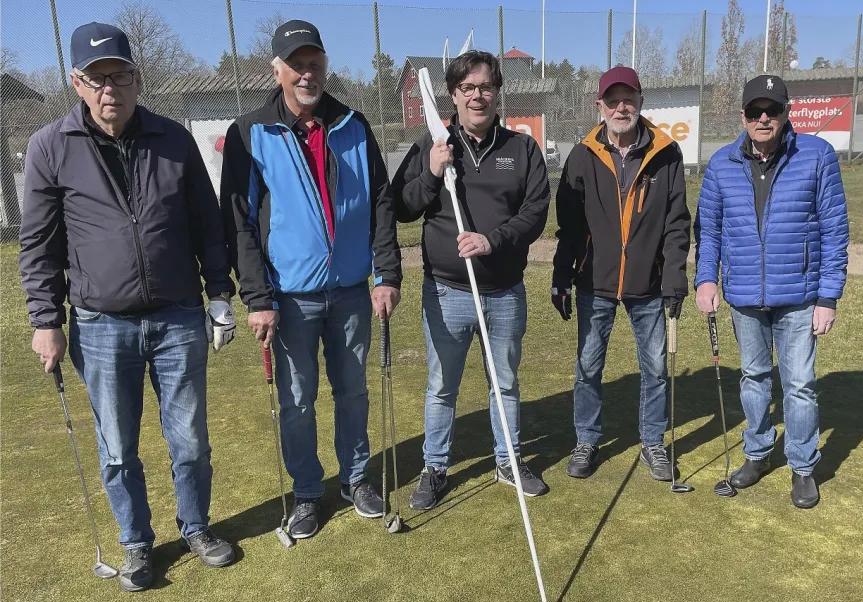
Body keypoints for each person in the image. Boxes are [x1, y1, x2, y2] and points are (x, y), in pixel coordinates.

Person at [19, 22, 237, 592]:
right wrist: (45, 320)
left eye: (118, 74)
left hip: (177, 317)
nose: (108, 88)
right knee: (117, 446)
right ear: (77, 82)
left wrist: (219, 293)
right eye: (96, 78)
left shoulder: (173, 139)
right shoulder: (49, 147)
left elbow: (207, 225)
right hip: (99, 324)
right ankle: (137, 543)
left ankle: (196, 526)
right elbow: (39, 245)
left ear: (136, 77)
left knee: (188, 437)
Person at [220, 20, 402, 538]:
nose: (307, 73)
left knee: (353, 392)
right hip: (288, 298)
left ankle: (358, 477)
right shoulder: (249, 132)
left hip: (349, 290)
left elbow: (381, 204)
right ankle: (306, 492)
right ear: (276, 70)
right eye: (296, 64)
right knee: (297, 401)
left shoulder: (353, 124)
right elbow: (239, 220)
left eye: (314, 62)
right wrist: (256, 296)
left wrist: (386, 272)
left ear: (325, 64)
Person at [392, 50, 550, 510]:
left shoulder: (521, 149)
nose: (477, 96)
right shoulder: (433, 144)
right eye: (468, 88)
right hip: (447, 292)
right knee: (442, 386)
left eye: (485, 87)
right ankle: (435, 467)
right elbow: (403, 206)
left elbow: (536, 212)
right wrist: (433, 171)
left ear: (498, 92)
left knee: (504, 382)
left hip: (504, 292)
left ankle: (508, 460)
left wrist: (492, 240)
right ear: (453, 95)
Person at [694, 74, 850, 509]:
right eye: (755, 111)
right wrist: (706, 278)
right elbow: (708, 230)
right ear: (742, 115)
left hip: (800, 295)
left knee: (799, 384)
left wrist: (828, 296)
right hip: (744, 294)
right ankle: (758, 454)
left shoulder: (816, 156)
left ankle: (802, 467)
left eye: (772, 110)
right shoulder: (722, 162)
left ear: (786, 113)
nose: (763, 118)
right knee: (753, 378)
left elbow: (835, 231)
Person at [551, 66, 691, 481]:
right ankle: (587, 440)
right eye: (612, 100)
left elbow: (677, 222)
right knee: (588, 368)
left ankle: (652, 442)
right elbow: (570, 228)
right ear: (600, 106)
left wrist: (675, 276)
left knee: (654, 368)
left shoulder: (666, 153)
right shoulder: (582, 155)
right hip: (595, 282)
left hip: (648, 283)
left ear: (641, 101)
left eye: (628, 98)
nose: (621, 107)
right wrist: (561, 275)